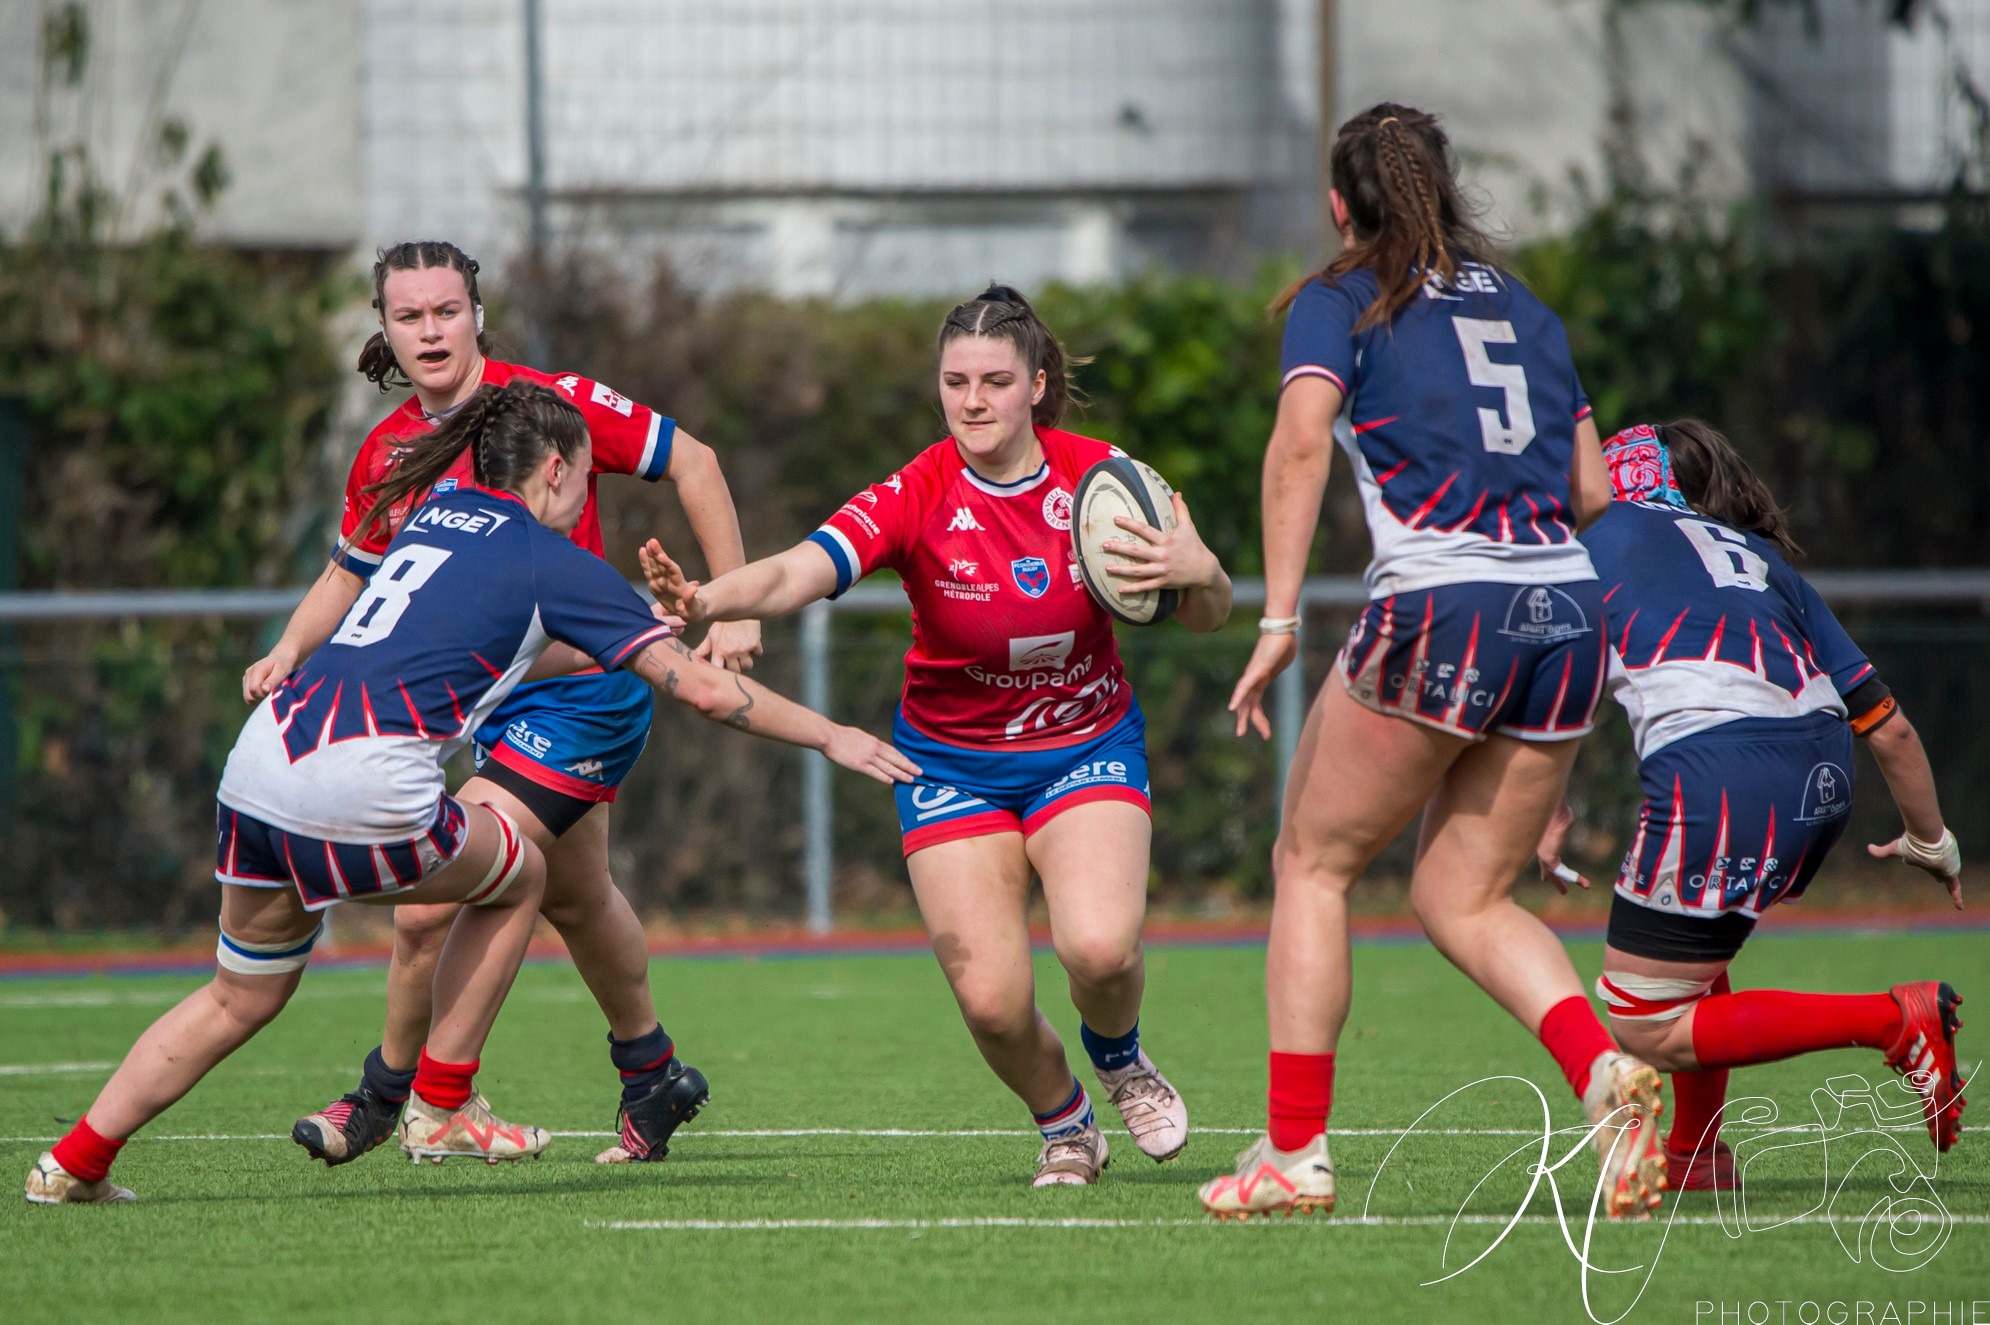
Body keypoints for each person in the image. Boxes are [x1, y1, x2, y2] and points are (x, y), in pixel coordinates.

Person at [26, 382, 913, 1204]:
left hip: (260, 764)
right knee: (520, 871)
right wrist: (832, 733)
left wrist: (635, 631)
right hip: (362, 783)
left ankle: (74, 1162)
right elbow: (710, 694)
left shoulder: (434, 512)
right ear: (558, 470)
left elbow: (505, 640)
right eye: (583, 479)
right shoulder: (552, 558)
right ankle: (441, 1102)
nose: (583, 501)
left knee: (237, 994)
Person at [640, 284, 1233, 1186]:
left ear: (1037, 384)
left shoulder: (1103, 480)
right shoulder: (916, 493)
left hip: (1084, 744)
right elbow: (802, 567)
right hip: (950, 763)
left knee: (1101, 947)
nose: (973, 400)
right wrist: (706, 599)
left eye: (996, 380)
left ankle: (1118, 1057)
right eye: (956, 381)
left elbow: (1200, 614)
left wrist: (1205, 570)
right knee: (993, 1003)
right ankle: (1067, 1125)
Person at [1200, 103, 1666, 1222]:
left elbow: (1300, 441)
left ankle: (1295, 1152)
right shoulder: (1532, 310)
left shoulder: (1339, 298)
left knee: (1312, 862)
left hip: (1444, 603)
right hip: (1564, 607)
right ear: (1448, 188)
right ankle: (1607, 1076)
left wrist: (1274, 624)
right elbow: (1596, 494)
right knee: (1462, 893)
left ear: (1337, 203)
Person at [245, 240, 762, 1167]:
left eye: (448, 310)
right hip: (479, 699)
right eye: (410, 316)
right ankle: (653, 1074)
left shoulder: (550, 407)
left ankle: (390, 1095)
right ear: (386, 330)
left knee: (434, 899)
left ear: (478, 315)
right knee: (574, 890)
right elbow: (348, 570)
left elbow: (696, 460)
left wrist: (731, 602)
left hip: (581, 690)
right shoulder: (389, 449)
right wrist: (288, 647)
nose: (431, 330)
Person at [1533, 419, 1966, 1191]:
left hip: (1719, 774)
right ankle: (1697, 1156)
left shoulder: (1588, 549)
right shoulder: (1756, 557)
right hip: (1823, 775)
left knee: (1645, 1022)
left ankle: (1893, 1021)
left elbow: (1552, 698)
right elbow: (1890, 727)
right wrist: (1932, 842)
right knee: (1692, 965)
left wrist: (1549, 810)